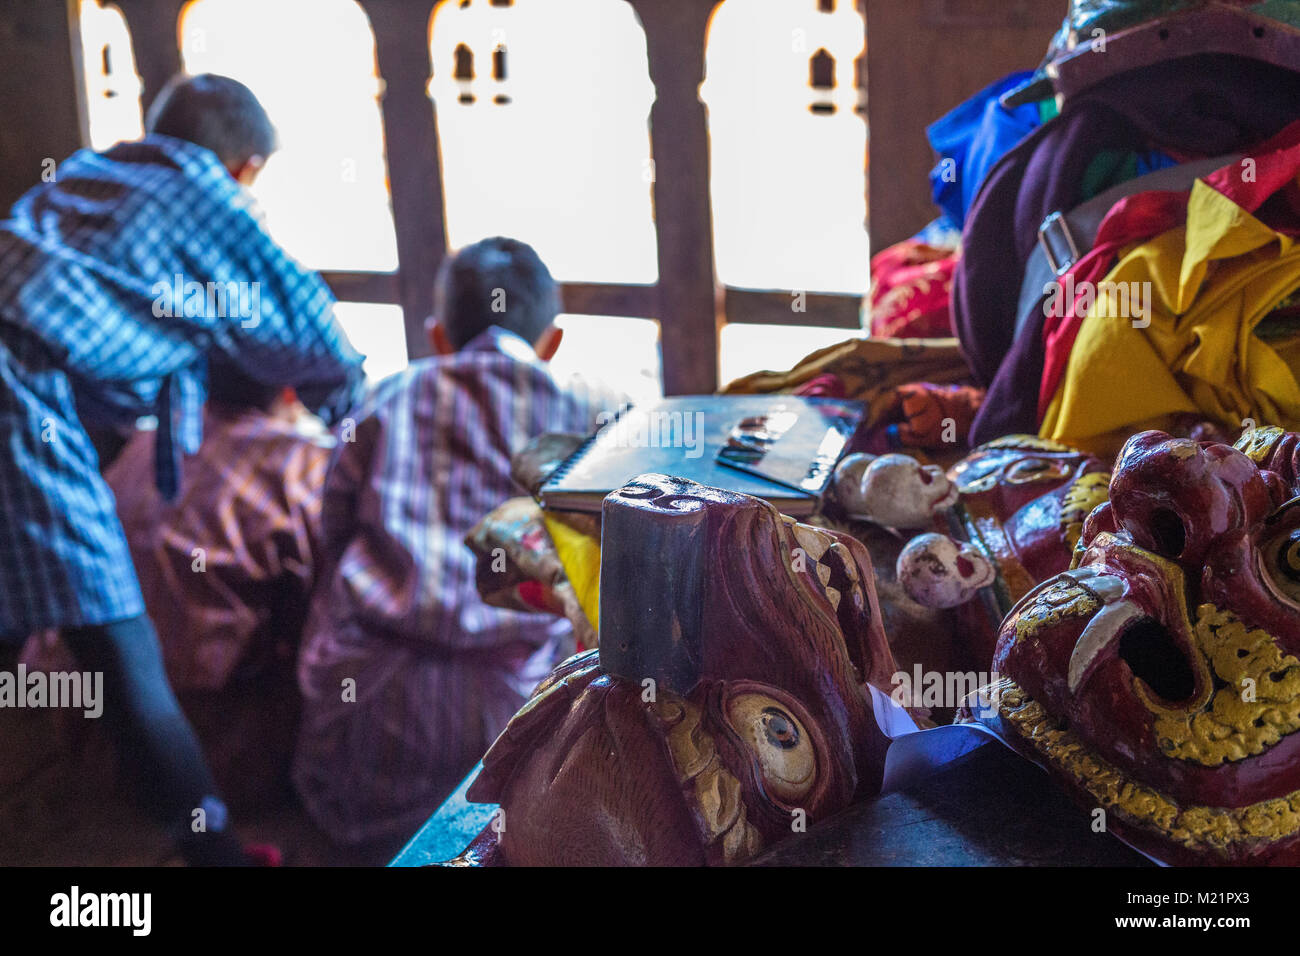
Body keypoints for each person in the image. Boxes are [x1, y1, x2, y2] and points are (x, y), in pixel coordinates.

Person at [0, 73, 366, 865]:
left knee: (93, 639)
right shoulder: (206, 195)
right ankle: (218, 854)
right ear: (242, 166)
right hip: (16, 401)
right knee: (119, 640)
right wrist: (362, 428)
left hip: (32, 394)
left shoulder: (93, 175)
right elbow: (315, 335)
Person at [293, 236, 618, 851]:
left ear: (439, 336)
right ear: (553, 342)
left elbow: (330, 531)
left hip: (372, 706)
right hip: (522, 711)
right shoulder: (591, 411)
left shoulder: (389, 395)